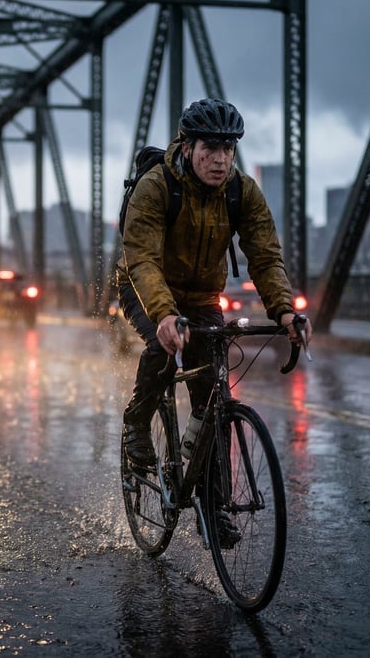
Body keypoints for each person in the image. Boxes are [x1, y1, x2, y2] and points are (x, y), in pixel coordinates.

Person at [117, 97, 313, 468]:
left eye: (228, 148)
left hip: (202, 294)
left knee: (213, 396)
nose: (221, 159)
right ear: (188, 147)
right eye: (210, 148)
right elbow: (141, 259)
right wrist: (163, 315)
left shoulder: (242, 191)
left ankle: (216, 505)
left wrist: (285, 312)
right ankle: (137, 424)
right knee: (164, 348)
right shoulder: (157, 187)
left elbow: (266, 257)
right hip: (143, 286)